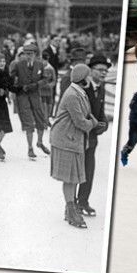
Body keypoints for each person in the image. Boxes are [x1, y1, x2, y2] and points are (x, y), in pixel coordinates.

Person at [49, 64, 99, 228]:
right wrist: (93, 123)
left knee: (74, 177)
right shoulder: (72, 95)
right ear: (83, 78)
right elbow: (81, 122)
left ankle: (69, 210)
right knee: (70, 178)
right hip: (66, 140)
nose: (90, 79)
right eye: (88, 76)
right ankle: (71, 212)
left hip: (73, 140)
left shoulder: (79, 92)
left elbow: (86, 115)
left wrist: (92, 121)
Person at [75, 55, 111, 217]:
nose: (104, 73)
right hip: (79, 136)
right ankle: (72, 203)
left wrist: (104, 124)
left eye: (106, 70)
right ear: (91, 71)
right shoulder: (83, 88)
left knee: (89, 171)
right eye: (100, 70)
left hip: (92, 138)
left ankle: (83, 201)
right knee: (77, 171)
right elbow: (80, 114)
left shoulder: (101, 87)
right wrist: (96, 124)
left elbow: (100, 112)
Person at [9, 43, 50, 159]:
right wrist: (17, 86)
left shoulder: (40, 65)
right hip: (23, 96)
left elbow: (46, 78)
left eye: (30, 54)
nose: (28, 56)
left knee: (40, 119)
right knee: (28, 123)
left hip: (36, 95)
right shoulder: (18, 65)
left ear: (35, 54)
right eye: (26, 54)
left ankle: (40, 142)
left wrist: (37, 85)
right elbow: (11, 78)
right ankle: (30, 148)